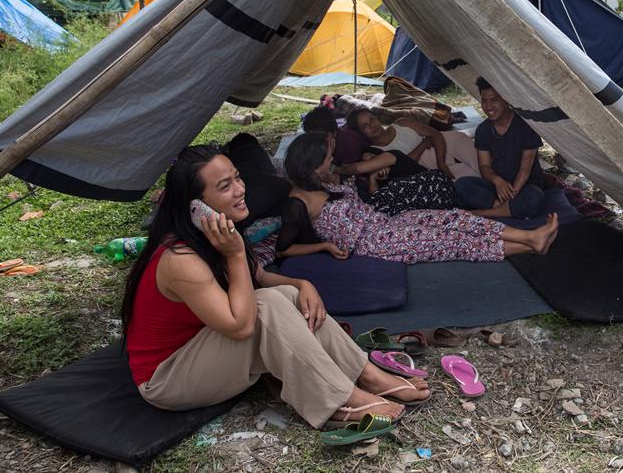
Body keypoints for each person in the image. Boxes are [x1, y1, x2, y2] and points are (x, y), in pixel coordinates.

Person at [121, 144, 428, 430]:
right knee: (266, 305)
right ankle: (339, 400)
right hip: (169, 379)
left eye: (237, 178)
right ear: (196, 208)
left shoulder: (218, 234)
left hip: (206, 347)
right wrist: (235, 254)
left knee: (287, 296)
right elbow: (241, 327)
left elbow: (262, 279)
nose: (240, 190)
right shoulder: (181, 259)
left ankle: (367, 375)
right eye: (224, 187)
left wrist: (301, 284)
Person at [281, 133, 558, 264]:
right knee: (450, 241)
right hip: (377, 243)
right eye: (327, 158)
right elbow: (282, 249)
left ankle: (527, 236)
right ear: (311, 164)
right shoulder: (298, 202)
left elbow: (361, 202)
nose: (332, 159)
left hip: (387, 221)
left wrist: (374, 182)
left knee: (453, 218)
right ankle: (532, 245)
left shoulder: (327, 179)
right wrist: (324, 246)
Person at [454, 78, 546, 219]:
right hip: (498, 187)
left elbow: (525, 169)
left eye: (494, 100)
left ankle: (483, 213)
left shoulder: (526, 126)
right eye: (484, 100)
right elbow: (484, 166)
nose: (488, 106)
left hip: (524, 186)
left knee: (534, 198)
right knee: (461, 185)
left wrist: (512, 194)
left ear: (506, 99)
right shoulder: (483, 130)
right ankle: (504, 210)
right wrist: (498, 181)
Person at [345, 109, 480, 180]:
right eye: (365, 126)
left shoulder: (402, 123)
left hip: (445, 144)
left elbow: (436, 134)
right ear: (361, 133)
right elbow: (406, 165)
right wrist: (422, 145)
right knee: (470, 177)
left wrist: (442, 164)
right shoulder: (375, 152)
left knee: (480, 164)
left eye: (372, 119)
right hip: (429, 167)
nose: (372, 126)